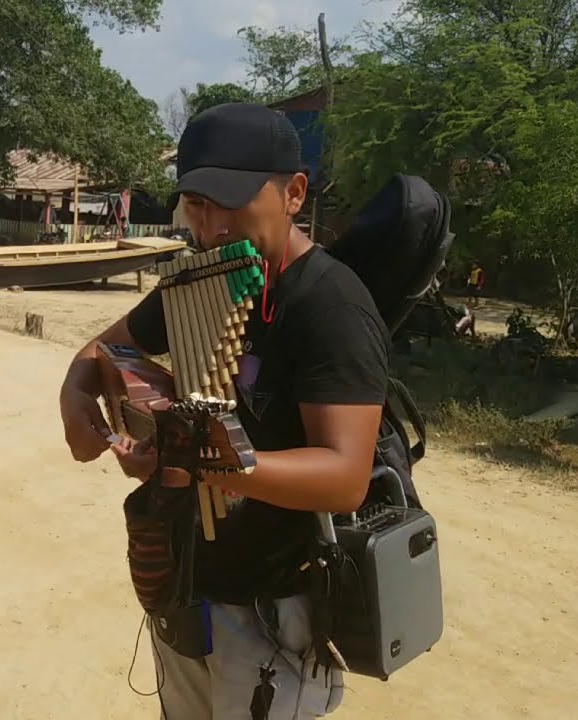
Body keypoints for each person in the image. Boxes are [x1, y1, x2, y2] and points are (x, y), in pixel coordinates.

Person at [57, 103, 390, 719]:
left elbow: (344, 478)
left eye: (231, 201)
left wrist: (207, 461)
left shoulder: (332, 309)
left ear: (293, 193)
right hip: (185, 590)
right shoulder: (199, 282)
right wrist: (77, 394)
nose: (211, 226)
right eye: (198, 203)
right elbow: (103, 349)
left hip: (275, 613)